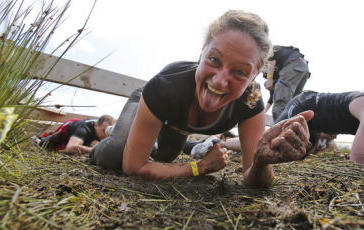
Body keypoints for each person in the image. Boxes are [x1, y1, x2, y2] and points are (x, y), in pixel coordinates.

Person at [90, 10, 313, 188]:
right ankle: (100, 144)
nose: (219, 81)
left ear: (254, 76)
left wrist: (261, 161)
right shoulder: (167, 84)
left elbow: (253, 178)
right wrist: (198, 167)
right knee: (116, 154)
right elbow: (134, 168)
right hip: (151, 103)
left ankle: (143, 140)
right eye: (214, 60)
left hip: (178, 126)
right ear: (201, 54)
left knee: (164, 157)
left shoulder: (250, 103)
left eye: (240, 72)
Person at [275, 90, 364, 172]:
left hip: (317, 128)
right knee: (271, 151)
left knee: (295, 161)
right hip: (304, 107)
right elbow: (361, 165)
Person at [264, 45, 310, 120]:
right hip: (303, 68)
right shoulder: (280, 74)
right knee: (293, 103)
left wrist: (269, 79)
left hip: (293, 64)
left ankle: (280, 129)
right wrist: (264, 112)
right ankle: (293, 127)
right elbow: (272, 97)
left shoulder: (267, 52)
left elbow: (271, 60)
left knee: (280, 104)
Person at [36, 115, 115, 155]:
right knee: (45, 145)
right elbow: (71, 148)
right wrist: (94, 149)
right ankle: (38, 139)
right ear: (96, 125)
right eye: (103, 131)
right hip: (66, 131)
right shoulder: (83, 129)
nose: (105, 135)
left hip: (77, 130)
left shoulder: (100, 130)